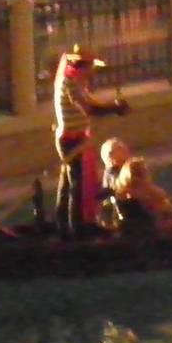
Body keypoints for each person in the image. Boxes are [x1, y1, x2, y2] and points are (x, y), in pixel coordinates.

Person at [53, 45, 130, 238]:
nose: (92, 71)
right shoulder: (71, 84)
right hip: (71, 141)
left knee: (69, 183)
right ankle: (77, 229)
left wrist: (113, 106)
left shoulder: (75, 83)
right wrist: (115, 109)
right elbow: (89, 109)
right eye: (90, 67)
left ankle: (65, 226)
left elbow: (91, 104)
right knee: (76, 186)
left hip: (73, 138)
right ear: (83, 66)